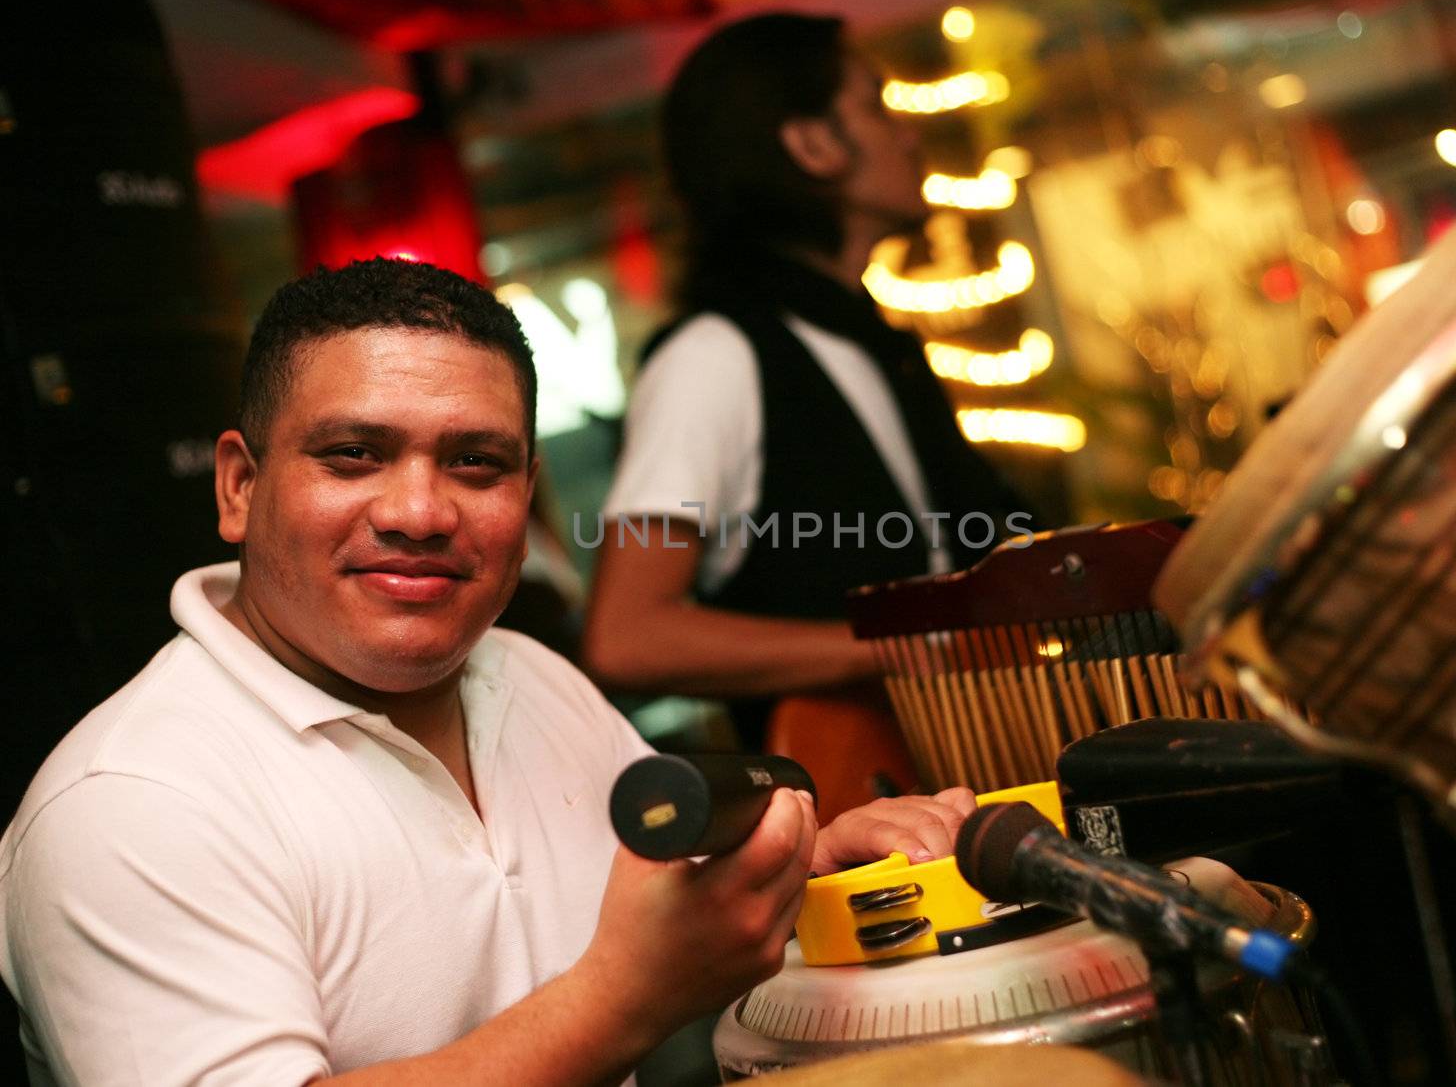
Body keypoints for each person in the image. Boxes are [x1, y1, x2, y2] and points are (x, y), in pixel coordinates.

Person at [0, 258, 976, 1085]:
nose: (420, 510)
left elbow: (662, 911)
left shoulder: (529, 678)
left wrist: (810, 878)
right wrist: (620, 1000)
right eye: (353, 454)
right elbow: (632, 973)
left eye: (476, 463)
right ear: (240, 485)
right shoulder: (129, 800)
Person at [585, 13, 1032, 748]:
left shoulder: (871, 342)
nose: (910, 134)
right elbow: (628, 636)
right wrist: (899, 651)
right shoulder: (713, 356)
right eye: (877, 106)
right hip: (849, 818)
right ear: (812, 144)